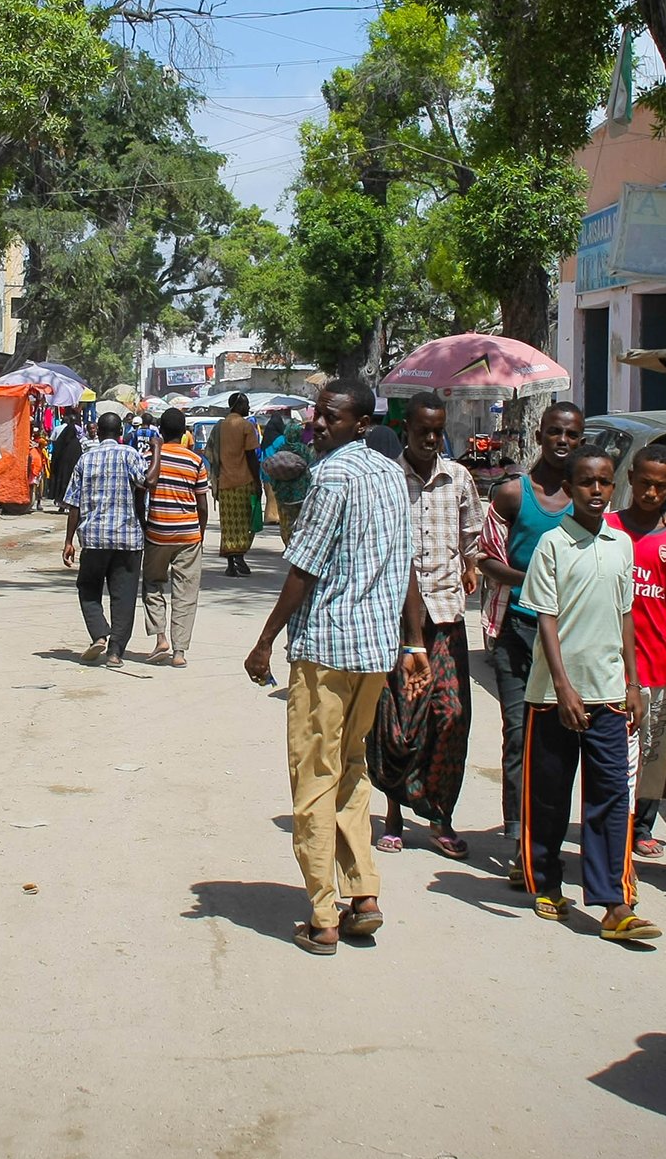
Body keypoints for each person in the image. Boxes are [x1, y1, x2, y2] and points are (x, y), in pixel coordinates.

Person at [244, 379, 419, 956]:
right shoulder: (393, 476)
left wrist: (266, 640)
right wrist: (411, 641)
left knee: (314, 777)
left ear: (361, 424)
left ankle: (322, 914)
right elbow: (405, 566)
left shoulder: (333, 477)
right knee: (350, 767)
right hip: (374, 652)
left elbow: (303, 568)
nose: (319, 425)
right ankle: (363, 893)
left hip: (327, 650)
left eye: (333, 418)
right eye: (318, 415)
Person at [518, 445, 658, 941]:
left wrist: (633, 682)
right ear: (570, 489)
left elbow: (626, 616)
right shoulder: (553, 545)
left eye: (603, 482)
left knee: (611, 796)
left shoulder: (621, 545)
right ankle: (546, 882)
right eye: (586, 483)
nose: (596, 491)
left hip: (610, 691)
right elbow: (546, 618)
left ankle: (613, 902)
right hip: (556, 695)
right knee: (551, 796)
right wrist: (562, 686)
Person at [369, 392, 482, 860]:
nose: (431, 439)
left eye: (438, 432)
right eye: (423, 431)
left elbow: (471, 534)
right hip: (398, 619)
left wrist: (471, 565)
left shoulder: (458, 479)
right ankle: (394, 813)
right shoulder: (388, 480)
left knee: (451, 716)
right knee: (401, 723)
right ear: (406, 431)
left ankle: (440, 817)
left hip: (447, 615)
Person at [480, 401, 583, 874]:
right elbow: (486, 559)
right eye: (556, 432)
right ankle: (518, 837)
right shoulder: (511, 495)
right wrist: (533, 580)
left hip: (570, 637)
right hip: (517, 632)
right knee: (519, 734)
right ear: (540, 436)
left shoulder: (588, 498)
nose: (563, 441)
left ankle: (547, 836)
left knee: (558, 741)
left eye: (572, 435)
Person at [606, 445, 666, 860]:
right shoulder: (605, 527)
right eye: (644, 483)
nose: (651, 492)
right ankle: (612, 823)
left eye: (661, 486)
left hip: (659, 664)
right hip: (609, 665)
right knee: (613, 754)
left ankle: (642, 826)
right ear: (631, 480)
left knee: (653, 752)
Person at [62, 412, 151, 670]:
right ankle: (115, 653)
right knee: (123, 596)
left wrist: (69, 540)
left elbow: (74, 504)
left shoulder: (85, 460)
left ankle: (99, 633)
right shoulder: (130, 455)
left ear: (98, 432)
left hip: (94, 538)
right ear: (120, 432)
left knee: (88, 588)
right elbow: (145, 483)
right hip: (128, 538)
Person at [140, 407, 209, 668]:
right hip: (188, 533)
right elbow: (202, 504)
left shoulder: (150, 456)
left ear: (161, 431)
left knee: (152, 583)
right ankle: (179, 652)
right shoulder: (195, 461)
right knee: (186, 593)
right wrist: (199, 532)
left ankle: (160, 638)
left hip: (158, 531)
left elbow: (141, 491)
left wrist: (144, 524)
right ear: (183, 434)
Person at [214, 392, 261, 576]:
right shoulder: (246, 426)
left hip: (224, 483)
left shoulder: (220, 426)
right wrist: (257, 481)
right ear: (237, 405)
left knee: (228, 525)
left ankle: (231, 564)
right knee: (246, 523)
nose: (248, 407)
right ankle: (239, 555)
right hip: (244, 481)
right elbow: (251, 456)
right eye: (246, 404)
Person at [262, 416, 316, 544]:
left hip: (283, 494)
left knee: (285, 521)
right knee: (300, 521)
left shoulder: (281, 448)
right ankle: (297, 545)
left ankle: (287, 544)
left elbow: (275, 470)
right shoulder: (304, 450)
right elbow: (311, 469)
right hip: (300, 493)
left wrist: (275, 486)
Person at [50, 408, 83, 511]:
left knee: (62, 484)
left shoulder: (61, 443)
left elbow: (56, 454)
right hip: (72, 472)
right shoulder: (77, 444)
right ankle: (68, 505)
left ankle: (61, 504)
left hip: (62, 471)